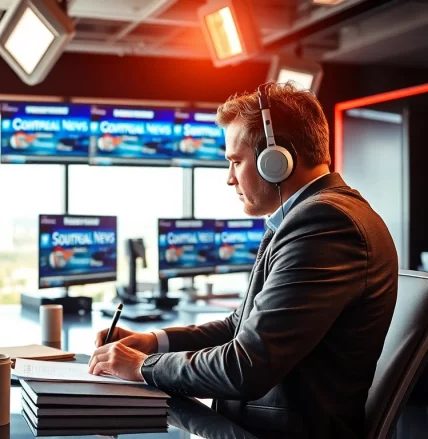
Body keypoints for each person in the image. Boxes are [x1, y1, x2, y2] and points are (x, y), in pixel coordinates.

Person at [88, 82, 398, 439]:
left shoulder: (325, 225)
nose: (229, 178)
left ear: (276, 160)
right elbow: (239, 325)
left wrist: (144, 367)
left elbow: (246, 366)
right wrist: (154, 342)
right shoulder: (310, 216)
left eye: (236, 161)